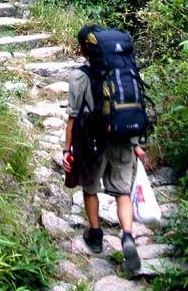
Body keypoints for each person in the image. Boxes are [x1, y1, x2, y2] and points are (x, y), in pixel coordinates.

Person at [62, 24, 148, 276]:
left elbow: (73, 117)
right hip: (123, 137)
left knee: (90, 188)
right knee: (122, 191)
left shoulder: (80, 77)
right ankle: (128, 237)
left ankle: (96, 234)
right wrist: (136, 145)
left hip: (93, 141)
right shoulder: (124, 72)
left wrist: (68, 150)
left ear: (83, 49)